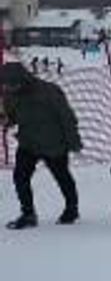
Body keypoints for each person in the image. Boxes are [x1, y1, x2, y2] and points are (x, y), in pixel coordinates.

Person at [0, 62, 83, 229]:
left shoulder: (49, 91)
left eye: (11, 84)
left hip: (54, 143)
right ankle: (28, 214)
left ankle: (71, 210)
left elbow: (67, 117)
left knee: (62, 177)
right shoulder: (10, 94)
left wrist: (74, 142)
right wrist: (7, 120)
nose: (8, 87)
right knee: (20, 177)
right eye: (5, 85)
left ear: (22, 80)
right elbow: (12, 116)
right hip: (28, 142)